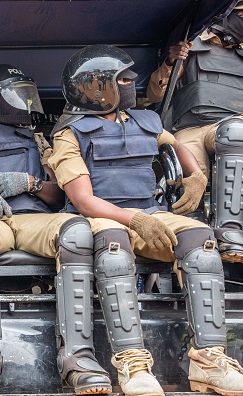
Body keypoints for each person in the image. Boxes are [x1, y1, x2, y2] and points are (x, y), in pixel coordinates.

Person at [49, 44, 243, 396]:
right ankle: (131, 363)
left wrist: (195, 174)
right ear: (96, 87)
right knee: (113, 250)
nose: (131, 84)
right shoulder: (69, 133)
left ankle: (209, 361)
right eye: (122, 79)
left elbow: (173, 143)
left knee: (203, 244)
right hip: (101, 217)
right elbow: (82, 200)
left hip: (150, 213)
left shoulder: (145, 119)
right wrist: (134, 220)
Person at [0, 64, 111, 396]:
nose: (27, 102)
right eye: (17, 94)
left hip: (33, 220)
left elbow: (59, 195)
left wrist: (32, 183)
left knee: (77, 232)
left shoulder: (41, 140)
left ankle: (78, 358)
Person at [146, 1, 243, 262]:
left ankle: (230, 233)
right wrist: (170, 62)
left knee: (236, 132)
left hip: (229, 125)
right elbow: (153, 95)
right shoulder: (191, 44)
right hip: (188, 129)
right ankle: (193, 243)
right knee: (187, 185)